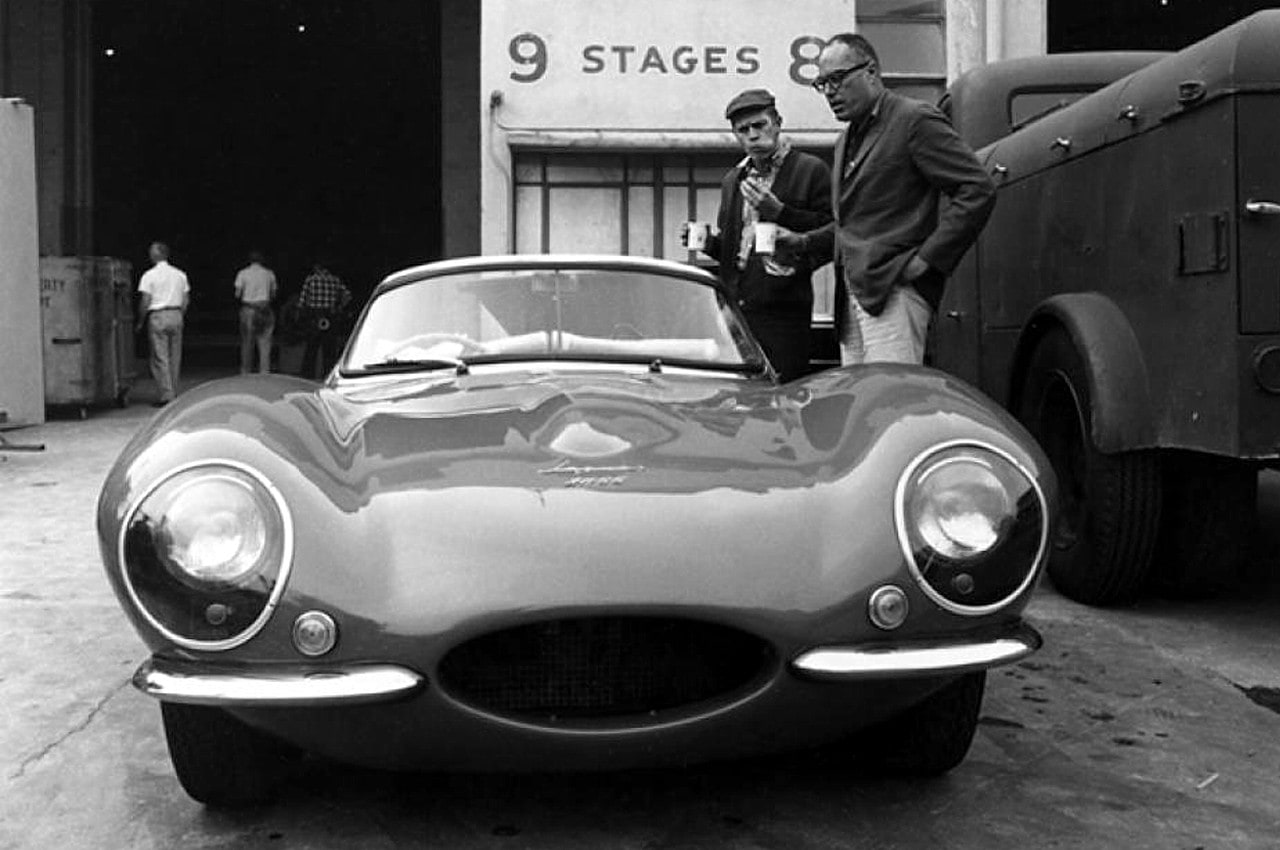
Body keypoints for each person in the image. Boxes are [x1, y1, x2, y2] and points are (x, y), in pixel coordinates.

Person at [779, 33, 996, 365]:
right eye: (822, 84)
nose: (830, 92)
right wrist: (802, 242)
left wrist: (927, 260)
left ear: (871, 72)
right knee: (862, 396)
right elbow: (851, 225)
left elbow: (977, 189)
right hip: (850, 300)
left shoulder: (914, 119)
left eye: (837, 79)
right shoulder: (843, 142)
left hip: (894, 292)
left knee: (893, 394)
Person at [685, 88, 832, 382]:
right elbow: (735, 250)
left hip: (784, 312)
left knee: (783, 391)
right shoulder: (733, 179)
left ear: (777, 123)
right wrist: (709, 243)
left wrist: (780, 212)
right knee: (736, 392)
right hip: (736, 310)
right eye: (743, 130)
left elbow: (834, 234)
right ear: (735, 135)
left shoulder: (810, 170)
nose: (753, 135)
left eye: (759, 125)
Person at [135, 241, 190, 407]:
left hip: (158, 315)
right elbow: (186, 299)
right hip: (176, 314)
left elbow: (146, 300)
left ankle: (167, 395)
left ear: (155, 255)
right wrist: (179, 314)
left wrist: (141, 320)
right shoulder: (180, 275)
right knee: (175, 355)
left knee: (160, 357)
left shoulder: (149, 276)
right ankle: (174, 391)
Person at [296, 260, 352, 379]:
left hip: (314, 314)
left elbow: (302, 300)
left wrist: (302, 312)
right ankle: (328, 375)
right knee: (329, 348)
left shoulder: (311, 280)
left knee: (311, 348)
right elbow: (347, 295)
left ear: (317, 267)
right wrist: (338, 307)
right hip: (330, 314)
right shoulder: (335, 280)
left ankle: (308, 376)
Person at [233, 250, 278, 374]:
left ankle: (246, 372)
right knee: (265, 344)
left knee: (247, 343)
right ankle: (264, 372)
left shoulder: (242, 273)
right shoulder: (269, 274)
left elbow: (237, 294)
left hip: (249, 309)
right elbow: (273, 293)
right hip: (265, 309)